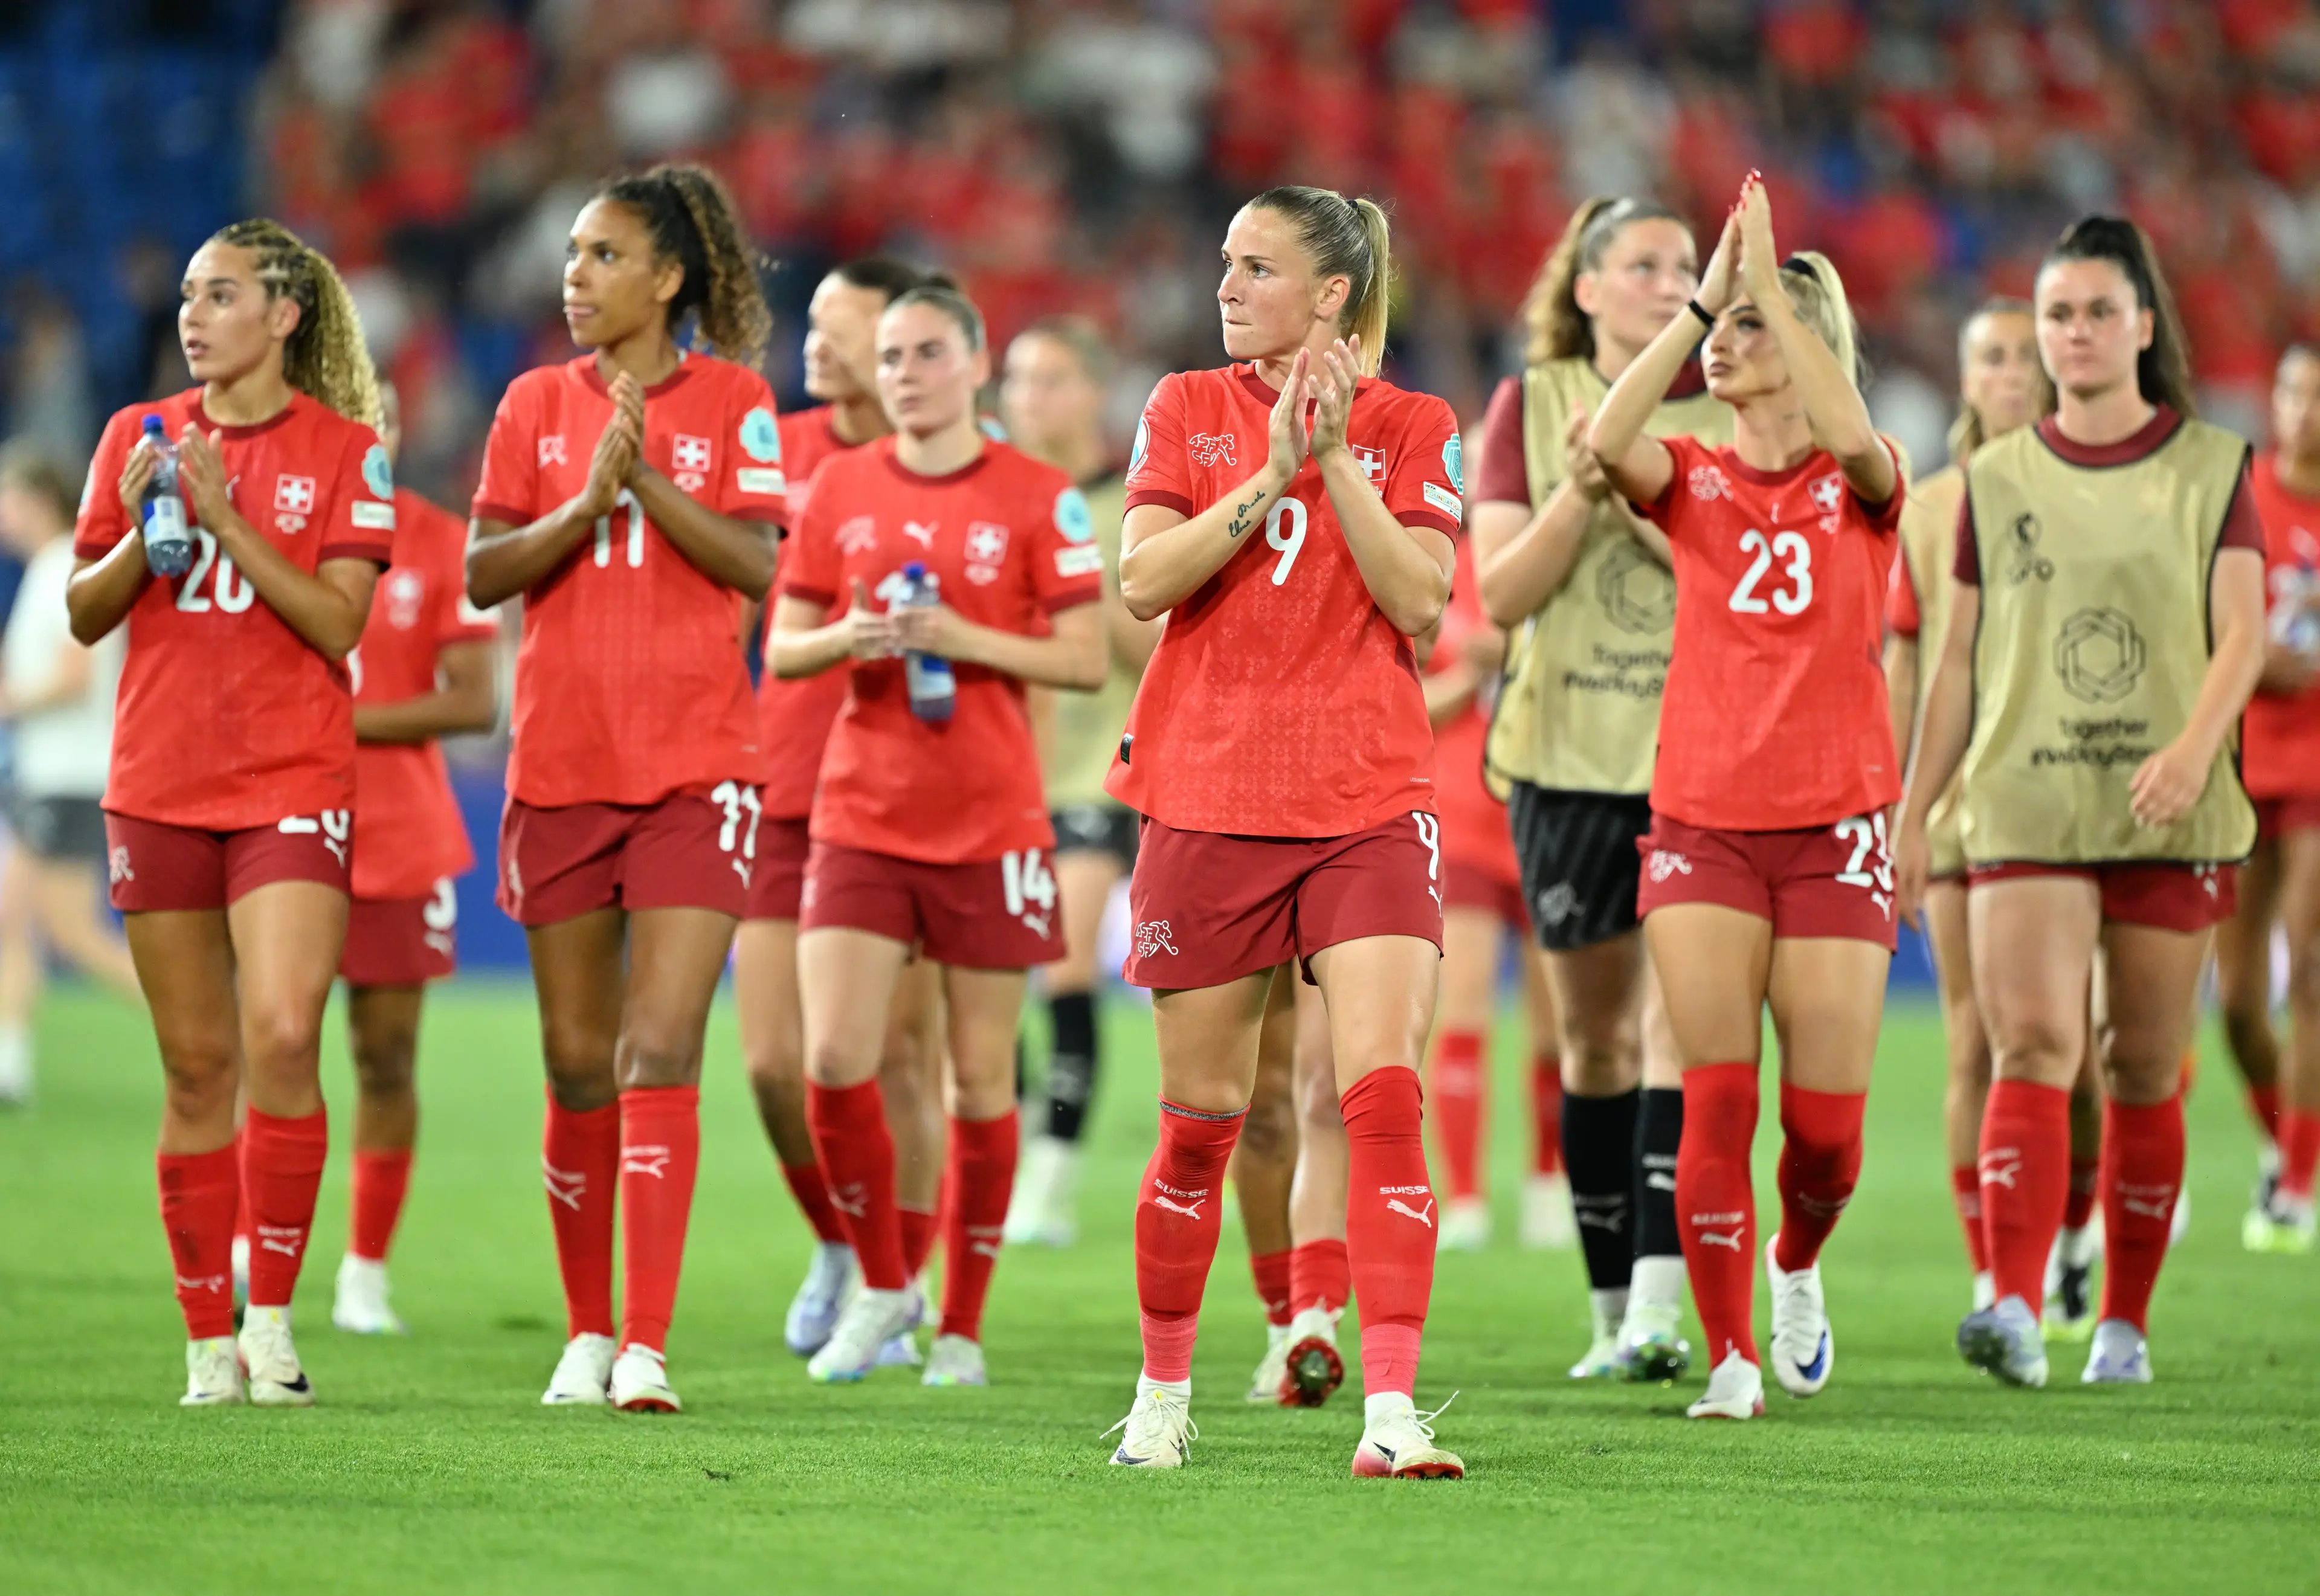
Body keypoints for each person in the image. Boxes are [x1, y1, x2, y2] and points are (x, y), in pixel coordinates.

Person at [1102, 185, 1466, 1478]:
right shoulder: (1184, 409)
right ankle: (1159, 1394)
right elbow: (1142, 580)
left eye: (1256, 267)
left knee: (1380, 1094)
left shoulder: (1418, 423)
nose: (1226, 284)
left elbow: (1422, 598)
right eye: (1224, 262)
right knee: (1201, 1122)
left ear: (1330, 295)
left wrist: (1335, 463)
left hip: (1367, 802)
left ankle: (1390, 1408)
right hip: (1206, 797)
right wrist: (1267, 474)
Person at [1897, 216, 2266, 1388]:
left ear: (2144, 327)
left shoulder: (2212, 467)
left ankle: (2126, 1322)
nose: (2075, 333)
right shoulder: (1991, 480)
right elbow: (1953, 663)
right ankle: (2007, 1302)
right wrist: (1914, 815)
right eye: (2057, 315)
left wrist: (2197, 748)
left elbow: (2247, 628)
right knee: (2034, 1044)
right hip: (2025, 802)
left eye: (2100, 312)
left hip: (2168, 808)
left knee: (2143, 1064)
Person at [467, 163, 782, 1413]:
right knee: (575, 1060)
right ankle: (585, 1329)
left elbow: (756, 563)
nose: (575, 278)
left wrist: (646, 481)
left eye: (603, 256)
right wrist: (583, 501)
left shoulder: (738, 402)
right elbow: (487, 570)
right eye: (572, 256)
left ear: (667, 278)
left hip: (699, 767)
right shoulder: (533, 404)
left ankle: (645, 1342)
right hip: (560, 766)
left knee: (662, 1043)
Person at [1588, 175, 1903, 1421]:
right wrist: (1705, 302)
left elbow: (1858, 441)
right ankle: (1727, 1357)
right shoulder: (1690, 476)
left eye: (1748, 330)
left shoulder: (1865, 478)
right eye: (1721, 329)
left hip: (1836, 822)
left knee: (1824, 1136)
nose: (1723, 346)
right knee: (1714, 1096)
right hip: (1706, 820)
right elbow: (1605, 442)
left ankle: (1796, 1262)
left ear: (1811, 345)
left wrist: (1776, 287)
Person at [65, 218, 393, 1405]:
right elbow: (84, 612)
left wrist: (226, 520)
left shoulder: (348, 452)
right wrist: (149, 537)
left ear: (286, 315)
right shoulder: (130, 438)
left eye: (221, 295)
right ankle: (207, 1338)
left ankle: (272, 1320)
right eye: (191, 296)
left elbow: (339, 625)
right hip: (158, 784)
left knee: (286, 1034)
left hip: (291, 783)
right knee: (199, 1067)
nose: (194, 316)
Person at [770, 282, 1106, 1386]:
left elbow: (1085, 657)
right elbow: (785, 641)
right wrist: (855, 634)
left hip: (992, 819)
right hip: (862, 809)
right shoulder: (837, 489)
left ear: (973, 364)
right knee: (833, 1057)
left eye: (926, 353)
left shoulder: (1037, 495)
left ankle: (960, 1325)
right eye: (895, 356)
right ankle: (883, 1282)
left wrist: (963, 636)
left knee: (975, 1077)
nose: (906, 372)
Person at [1472, 196, 1730, 1380]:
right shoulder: (1529, 408)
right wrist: (1585, 487)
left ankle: (1662, 1312)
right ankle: (1607, 1304)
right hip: (1565, 755)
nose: (1668, 282)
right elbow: (1503, 597)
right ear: (1584, 287)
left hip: (1704, 760)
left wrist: (1647, 490)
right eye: (1642, 264)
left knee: (1676, 1032)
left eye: (1685, 265)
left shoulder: (1738, 403)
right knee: (1592, 1042)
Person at [729, 256, 953, 1360]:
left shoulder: (944, 459)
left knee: (899, 1061)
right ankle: (841, 1237)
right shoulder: (779, 443)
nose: (813, 338)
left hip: (907, 789)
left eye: (840, 322)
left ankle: (897, 1281)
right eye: (810, 319)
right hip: (782, 778)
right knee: (776, 1061)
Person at [326, 378, 500, 1334]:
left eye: (381, 416)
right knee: (259, 1043)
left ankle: (364, 1268)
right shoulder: (264, 534)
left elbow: (477, 703)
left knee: (384, 1056)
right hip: (279, 822)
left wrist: (343, 722)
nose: (368, 430)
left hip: (396, 837)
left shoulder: (437, 539)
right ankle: (242, 1247)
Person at [1884, 300, 2041, 1311]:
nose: (2013, 374)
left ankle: (2062, 1234)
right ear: (1966, 376)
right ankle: (1995, 1273)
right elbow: (1906, 663)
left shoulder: (2105, 498)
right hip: (1958, 802)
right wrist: (1902, 807)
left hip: (2072, 805)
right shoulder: (1930, 509)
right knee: (1976, 1039)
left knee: (2076, 1044)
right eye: (1992, 356)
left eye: (2028, 358)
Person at [997, 314, 1159, 1247]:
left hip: (1095, 776)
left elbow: (1153, 652)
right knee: (983, 983)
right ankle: (1015, 1154)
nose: (1032, 395)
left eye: (1053, 377)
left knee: (1060, 963)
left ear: (1095, 393)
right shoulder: (987, 496)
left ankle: (1047, 1183)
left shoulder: (1129, 504)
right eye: (1019, 378)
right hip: (995, 772)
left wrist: (1086, 584)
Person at [1421, 501, 1562, 1255]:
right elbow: (1402, 702)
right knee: (1465, 1008)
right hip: (1464, 819)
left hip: (1548, 817)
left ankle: (1549, 1183)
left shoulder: (1561, 558)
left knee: (1560, 1027)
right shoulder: (1438, 563)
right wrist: (1475, 669)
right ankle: (1467, 1196)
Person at [2209, 342, 2320, 1255]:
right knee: (2240, 1000)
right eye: (2291, 393)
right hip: (2245, 766)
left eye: (2317, 397)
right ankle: (2285, 1144)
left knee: (2311, 971)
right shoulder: (2242, 498)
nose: (2303, 411)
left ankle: (2294, 1185)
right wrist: (2250, 662)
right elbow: (2204, 616)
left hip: (2318, 773)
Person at [0, 442, 138, 1107]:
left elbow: (76, 674)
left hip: (72, 773)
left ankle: (197, 1024)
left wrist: (12, 700)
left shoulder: (64, 567)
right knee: (21, 917)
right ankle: (10, 1060)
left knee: (67, 929)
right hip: (54, 772)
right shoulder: (46, 570)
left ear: (38, 499)